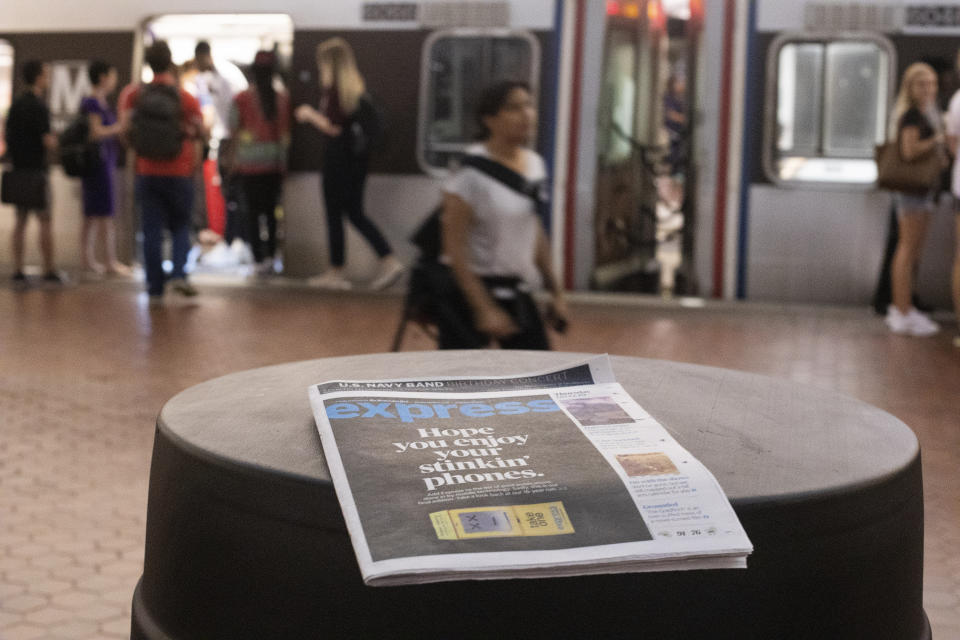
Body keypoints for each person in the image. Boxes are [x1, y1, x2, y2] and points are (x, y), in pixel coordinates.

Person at [437, 80, 567, 349]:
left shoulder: (535, 165)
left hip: (518, 291)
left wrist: (556, 292)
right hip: (468, 295)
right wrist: (483, 308)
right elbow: (453, 246)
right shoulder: (469, 171)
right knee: (461, 384)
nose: (526, 114)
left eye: (529, 106)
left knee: (537, 377)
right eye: (513, 108)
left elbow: (534, 230)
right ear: (489, 120)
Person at [295, 37, 403, 291]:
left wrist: (309, 114)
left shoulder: (334, 92)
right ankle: (388, 260)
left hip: (337, 161)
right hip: (357, 162)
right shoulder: (354, 88)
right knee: (354, 213)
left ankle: (336, 271)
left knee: (335, 214)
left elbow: (333, 127)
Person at [118, 40, 206, 301]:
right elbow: (201, 131)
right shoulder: (185, 97)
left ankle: (154, 286)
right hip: (179, 170)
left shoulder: (133, 95)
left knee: (151, 228)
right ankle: (179, 273)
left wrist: (138, 148)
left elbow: (123, 131)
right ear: (169, 63)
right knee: (181, 225)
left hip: (146, 171)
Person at [884, 62, 945, 336]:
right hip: (912, 193)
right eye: (922, 84)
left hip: (924, 192)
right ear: (910, 87)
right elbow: (909, 152)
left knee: (914, 251)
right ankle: (901, 310)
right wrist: (937, 140)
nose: (928, 89)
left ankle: (907, 306)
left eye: (932, 83)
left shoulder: (926, 113)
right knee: (907, 250)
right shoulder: (911, 116)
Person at [227, 50, 290, 274]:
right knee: (272, 212)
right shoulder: (283, 99)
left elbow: (232, 130)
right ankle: (272, 256)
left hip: (249, 165)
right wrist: (283, 165)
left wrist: (233, 161)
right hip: (273, 166)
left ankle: (257, 258)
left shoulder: (241, 99)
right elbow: (285, 137)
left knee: (252, 213)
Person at [3, 60, 61, 284]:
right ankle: (48, 268)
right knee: (45, 220)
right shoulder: (39, 106)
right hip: (37, 171)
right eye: (45, 75)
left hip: (18, 170)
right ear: (38, 77)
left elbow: (7, 137)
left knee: (20, 222)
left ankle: (18, 268)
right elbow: (47, 140)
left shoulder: (15, 105)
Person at [79, 60, 129, 275]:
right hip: (98, 164)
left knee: (92, 216)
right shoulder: (92, 103)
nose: (114, 81)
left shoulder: (100, 102)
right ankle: (108, 261)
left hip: (103, 162)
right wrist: (120, 127)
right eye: (112, 75)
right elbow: (95, 132)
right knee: (103, 215)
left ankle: (89, 259)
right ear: (102, 77)